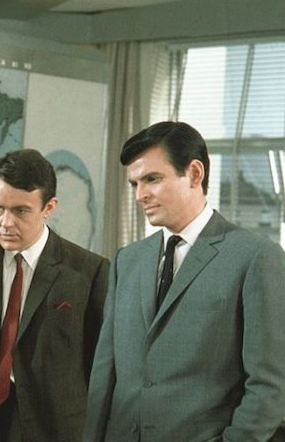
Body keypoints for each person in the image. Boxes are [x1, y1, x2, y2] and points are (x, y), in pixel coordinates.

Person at [83, 121, 285, 442]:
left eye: (152, 179)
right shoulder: (127, 260)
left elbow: (270, 386)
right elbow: (104, 375)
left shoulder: (255, 257)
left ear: (194, 174)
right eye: (135, 183)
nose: (140, 195)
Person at [0, 148, 109, 442]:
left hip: (55, 428)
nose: (5, 222)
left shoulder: (89, 272)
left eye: (20, 211)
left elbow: (97, 366)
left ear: (49, 207)